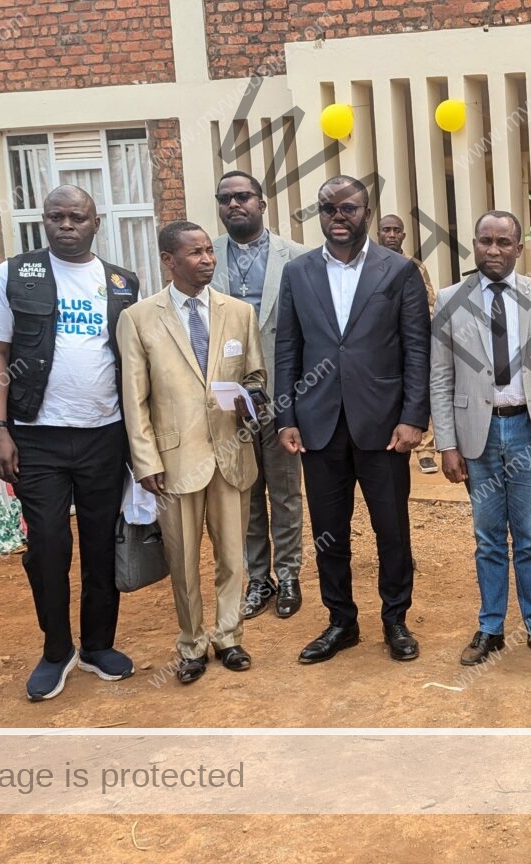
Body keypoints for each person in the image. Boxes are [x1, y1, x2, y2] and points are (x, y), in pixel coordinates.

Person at [0, 185, 141, 702]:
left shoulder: (122, 282)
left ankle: (97, 645)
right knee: (48, 547)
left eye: (77, 217)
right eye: (56, 217)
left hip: (104, 434)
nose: (66, 225)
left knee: (100, 543)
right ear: (43, 222)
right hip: (35, 437)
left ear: (97, 223)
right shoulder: (14, 273)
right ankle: (56, 650)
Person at [275, 177, 430, 665]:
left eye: (348, 208)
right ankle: (341, 621)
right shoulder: (297, 272)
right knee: (329, 532)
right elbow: (287, 348)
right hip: (318, 423)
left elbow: (416, 349)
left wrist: (412, 417)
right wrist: (286, 415)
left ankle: (395, 620)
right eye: (327, 208)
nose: (337, 216)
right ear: (318, 214)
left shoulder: (398, 271)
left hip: (383, 426)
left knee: (391, 528)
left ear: (366, 211)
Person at [119, 221, 265, 685]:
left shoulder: (239, 312)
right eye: (195, 253)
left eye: (209, 251)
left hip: (230, 453)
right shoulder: (140, 318)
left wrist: (250, 403)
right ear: (168, 260)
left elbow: (257, 380)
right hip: (175, 461)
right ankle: (192, 643)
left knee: (231, 555)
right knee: (182, 561)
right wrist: (146, 462)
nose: (207, 259)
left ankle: (229, 636)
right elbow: (134, 399)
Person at [431, 211, 531, 668]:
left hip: (529, 429)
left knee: (528, 536)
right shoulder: (450, 299)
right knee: (488, 537)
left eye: (503, 242)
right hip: (477, 434)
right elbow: (440, 376)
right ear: (474, 243)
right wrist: (446, 444)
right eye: (485, 240)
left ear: (519, 247)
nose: (493, 250)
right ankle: (490, 627)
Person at [209, 170, 308, 622]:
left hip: (283, 396)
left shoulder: (299, 258)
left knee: (286, 492)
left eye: (243, 196)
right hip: (228, 400)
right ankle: (259, 578)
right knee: (243, 492)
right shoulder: (204, 256)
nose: (235, 205)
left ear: (262, 204)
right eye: (226, 198)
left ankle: (289, 575)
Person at [379, 213, 441, 476]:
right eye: (387, 230)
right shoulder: (369, 265)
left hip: (411, 340)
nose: (392, 235)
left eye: (397, 230)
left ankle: (425, 451)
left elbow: (429, 303)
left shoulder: (415, 266)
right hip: (381, 343)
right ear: (378, 234)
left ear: (403, 235)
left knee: (419, 389)